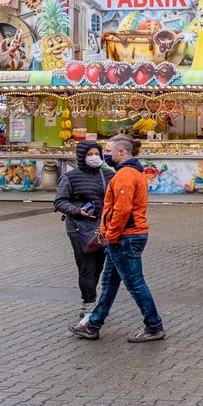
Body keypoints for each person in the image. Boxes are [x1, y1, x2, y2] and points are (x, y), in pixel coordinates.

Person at [69, 135, 165, 342]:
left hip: (124, 237)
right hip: (126, 236)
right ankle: (93, 324)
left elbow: (122, 210)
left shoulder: (124, 175)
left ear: (121, 152)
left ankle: (154, 325)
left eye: (108, 151)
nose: (105, 155)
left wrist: (110, 235)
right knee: (109, 283)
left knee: (134, 283)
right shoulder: (134, 172)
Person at [53, 140, 112, 316]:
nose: (94, 157)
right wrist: (78, 211)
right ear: (81, 156)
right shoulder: (70, 177)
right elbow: (60, 201)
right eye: (89, 154)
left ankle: (90, 299)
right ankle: (88, 304)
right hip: (79, 228)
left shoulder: (108, 174)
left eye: (97, 154)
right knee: (86, 266)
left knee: (99, 265)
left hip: (102, 227)